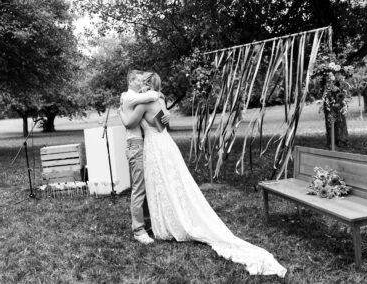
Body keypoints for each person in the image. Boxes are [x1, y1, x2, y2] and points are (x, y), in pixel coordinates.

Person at [118, 72, 287, 277]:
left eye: (143, 82)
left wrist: (121, 111)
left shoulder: (143, 104)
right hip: (166, 143)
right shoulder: (160, 98)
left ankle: (158, 223)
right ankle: (160, 218)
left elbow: (129, 123)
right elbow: (163, 124)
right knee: (171, 181)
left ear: (147, 85)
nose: (141, 84)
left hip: (154, 146)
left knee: (159, 183)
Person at [120, 70, 170, 245]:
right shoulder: (128, 97)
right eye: (140, 80)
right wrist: (158, 95)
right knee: (139, 187)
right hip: (135, 144)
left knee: (147, 184)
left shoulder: (140, 97)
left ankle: (147, 223)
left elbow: (158, 123)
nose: (142, 84)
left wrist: (164, 111)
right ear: (132, 81)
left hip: (145, 143)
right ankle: (138, 229)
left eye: (144, 81)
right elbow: (130, 122)